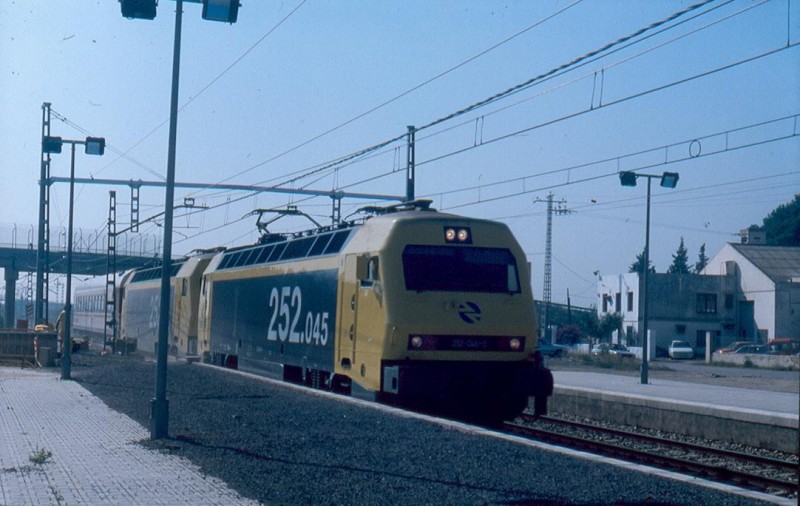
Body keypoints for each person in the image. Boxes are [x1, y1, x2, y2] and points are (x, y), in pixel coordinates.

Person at [529, 350, 554, 418]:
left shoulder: (543, 372)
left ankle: (539, 410)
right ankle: (540, 410)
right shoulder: (545, 372)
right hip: (542, 386)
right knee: (541, 395)